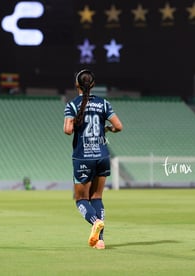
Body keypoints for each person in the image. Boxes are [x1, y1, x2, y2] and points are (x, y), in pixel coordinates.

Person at [64, 69, 122, 250]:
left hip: (83, 157)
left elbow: (67, 130)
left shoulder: (72, 105)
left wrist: (76, 125)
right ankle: (100, 241)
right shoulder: (103, 103)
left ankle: (95, 221)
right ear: (93, 85)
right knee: (97, 196)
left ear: (76, 85)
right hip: (102, 156)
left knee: (81, 200)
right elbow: (119, 126)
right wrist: (107, 130)